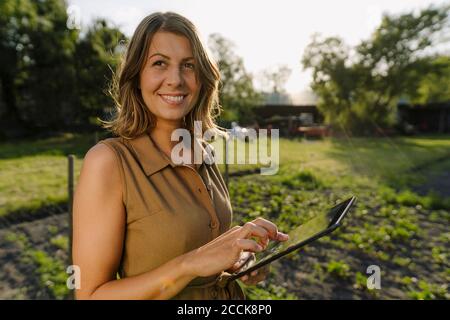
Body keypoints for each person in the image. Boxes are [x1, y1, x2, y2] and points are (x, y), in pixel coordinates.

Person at [72, 11, 288, 300]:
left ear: (202, 78)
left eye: (188, 65)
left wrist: (239, 263)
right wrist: (190, 263)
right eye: (159, 63)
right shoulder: (109, 162)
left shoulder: (204, 152)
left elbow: (208, 263)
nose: (175, 80)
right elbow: (90, 296)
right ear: (137, 75)